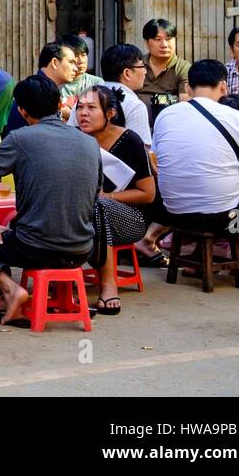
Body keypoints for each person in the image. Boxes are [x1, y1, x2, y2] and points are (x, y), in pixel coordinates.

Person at [0, 75, 101, 325]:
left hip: (36, 248)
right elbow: (94, 193)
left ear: (21, 110)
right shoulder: (89, 142)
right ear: (58, 105)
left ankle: (10, 290)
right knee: (10, 232)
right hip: (83, 249)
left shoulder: (20, 138)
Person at [151, 59, 239, 290]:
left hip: (173, 216)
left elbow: (155, 158)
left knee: (215, 193)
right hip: (228, 221)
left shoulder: (165, 115)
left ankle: (198, 256)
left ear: (188, 89)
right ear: (223, 86)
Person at [75, 86, 155, 314]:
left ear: (109, 113)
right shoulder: (75, 138)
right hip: (85, 215)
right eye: (80, 108)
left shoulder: (129, 140)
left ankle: (109, 285)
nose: (83, 113)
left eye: (91, 108)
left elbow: (148, 194)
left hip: (131, 218)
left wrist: (107, 196)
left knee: (98, 206)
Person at [76, 43, 153, 149]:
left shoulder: (85, 97)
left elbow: (71, 137)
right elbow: (141, 151)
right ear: (127, 73)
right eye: (142, 66)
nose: (145, 71)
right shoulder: (135, 105)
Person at [4, 41, 78, 134]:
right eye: (71, 62)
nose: (75, 68)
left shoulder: (47, 90)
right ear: (54, 62)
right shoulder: (34, 92)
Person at [137, 19, 191, 124]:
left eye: (169, 39)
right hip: (137, 125)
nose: (164, 45)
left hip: (170, 125)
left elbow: (185, 105)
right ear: (146, 42)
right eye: (158, 39)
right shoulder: (136, 65)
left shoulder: (183, 68)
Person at [59, 33, 104, 106]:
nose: (81, 61)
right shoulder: (57, 85)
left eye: (83, 55)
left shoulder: (96, 83)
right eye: (76, 56)